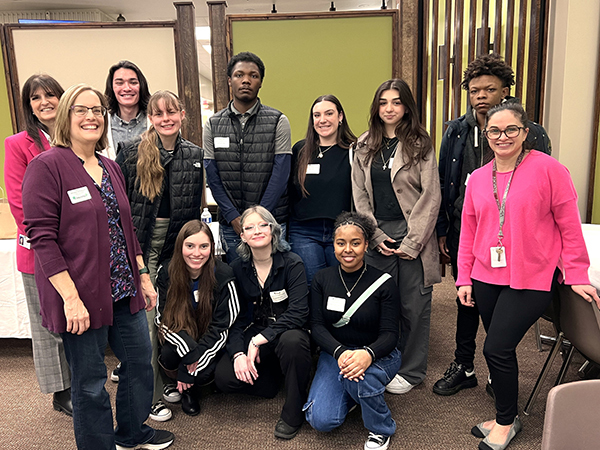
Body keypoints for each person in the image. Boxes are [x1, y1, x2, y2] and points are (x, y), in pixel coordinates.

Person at [21, 83, 174, 450]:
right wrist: (71, 300)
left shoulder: (109, 166)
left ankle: (131, 432)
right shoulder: (47, 166)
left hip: (124, 289)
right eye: (81, 110)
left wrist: (143, 275)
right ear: (65, 117)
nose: (91, 117)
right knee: (90, 381)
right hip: (82, 296)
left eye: (96, 111)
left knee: (139, 365)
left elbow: (126, 230)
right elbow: (42, 238)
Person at [456, 102, 600, 450]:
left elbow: (569, 226)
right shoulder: (478, 177)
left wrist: (578, 273)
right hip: (486, 276)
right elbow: (468, 232)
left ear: (525, 133)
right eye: (494, 131)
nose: (502, 137)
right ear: (486, 134)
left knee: (496, 348)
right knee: (501, 351)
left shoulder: (550, 170)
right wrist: (463, 278)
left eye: (511, 130)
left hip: (532, 277)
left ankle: (505, 422)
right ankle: (507, 413)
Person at [434, 53, 552, 396]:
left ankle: (497, 367)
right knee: (466, 298)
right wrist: (444, 229)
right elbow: (445, 182)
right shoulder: (456, 130)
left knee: (505, 307)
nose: (481, 96)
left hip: (517, 237)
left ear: (505, 91)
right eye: (474, 90)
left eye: (489, 89)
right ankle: (464, 364)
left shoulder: (532, 133)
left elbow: (545, 189)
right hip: (466, 231)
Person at [116, 90, 204, 421]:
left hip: (175, 247)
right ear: (150, 118)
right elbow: (121, 208)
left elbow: (194, 209)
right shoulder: (131, 152)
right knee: (146, 324)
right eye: (158, 114)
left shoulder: (194, 154)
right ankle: (148, 396)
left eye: (172, 112)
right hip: (142, 248)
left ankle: (168, 377)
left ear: (183, 115)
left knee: (173, 316)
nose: (166, 119)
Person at [352, 79, 441, 395]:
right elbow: (359, 195)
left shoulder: (421, 143)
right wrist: (374, 234)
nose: (389, 108)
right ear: (377, 107)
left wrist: (413, 241)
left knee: (413, 304)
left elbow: (431, 195)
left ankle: (412, 370)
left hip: (414, 231)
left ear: (406, 107)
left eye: (396, 102)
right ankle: (385, 361)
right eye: (383, 102)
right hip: (378, 233)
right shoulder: (363, 145)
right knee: (382, 305)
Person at [3, 74, 72, 416]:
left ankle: (80, 379)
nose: (44, 102)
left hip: (77, 251)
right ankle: (61, 391)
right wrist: (55, 241)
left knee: (74, 317)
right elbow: (19, 204)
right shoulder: (18, 144)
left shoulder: (74, 138)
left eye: (51, 95)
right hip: (40, 251)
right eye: (35, 97)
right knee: (48, 324)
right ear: (28, 105)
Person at [305, 212, 402, 450]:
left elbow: (391, 334)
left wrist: (367, 354)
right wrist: (340, 353)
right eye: (341, 243)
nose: (348, 249)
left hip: (378, 354)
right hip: (336, 353)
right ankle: (359, 394)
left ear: (366, 245)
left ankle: (381, 427)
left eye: (355, 243)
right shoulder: (321, 278)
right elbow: (316, 327)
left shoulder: (384, 282)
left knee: (362, 377)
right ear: (334, 246)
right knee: (321, 421)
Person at [214, 206, 311, 440]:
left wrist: (260, 339)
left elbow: (299, 312)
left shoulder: (292, 263)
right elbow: (233, 317)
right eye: (249, 227)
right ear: (242, 236)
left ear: (273, 229)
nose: (256, 231)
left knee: (292, 342)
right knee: (224, 378)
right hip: (254, 331)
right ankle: (273, 380)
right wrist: (237, 353)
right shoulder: (236, 268)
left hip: (287, 331)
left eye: (262, 225)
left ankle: (293, 412)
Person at [203, 51, 292, 262]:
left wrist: (259, 219)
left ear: (260, 82)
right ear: (229, 81)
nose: (246, 80)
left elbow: (281, 173)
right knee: (239, 282)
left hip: (271, 221)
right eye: (239, 75)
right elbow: (212, 176)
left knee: (274, 282)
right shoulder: (213, 124)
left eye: (253, 75)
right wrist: (234, 217)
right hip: (231, 225)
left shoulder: (278, 120)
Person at [155, 220, 239, 416]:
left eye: (204, 246)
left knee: (206, 374)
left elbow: (223, 326)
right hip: (182, 335)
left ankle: (191, 384)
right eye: (190, 246)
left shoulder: (224, 274)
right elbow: (161, 318)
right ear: (180, 246)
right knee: (167, 354)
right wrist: (189, 353)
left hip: (210, 340)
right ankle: (180, 383)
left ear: (212, 247)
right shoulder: (167, 271)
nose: (196, 253)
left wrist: (191, 366)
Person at [289, 94, 356, 285]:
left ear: (340, 116)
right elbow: (290, 192)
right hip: (304, 231)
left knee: (342, 285)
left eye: (329, 113)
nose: (322, 120)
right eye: (317, 115)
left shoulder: (355, 150)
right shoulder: (300, 150)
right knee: (313, 286)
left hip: (343, 231)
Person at [104, 60, 151, 158]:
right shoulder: (102, 124)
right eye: (119, 83)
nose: (127, 88)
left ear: (141, 86)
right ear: (112, 88)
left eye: (133, 82)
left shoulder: (155, 122)